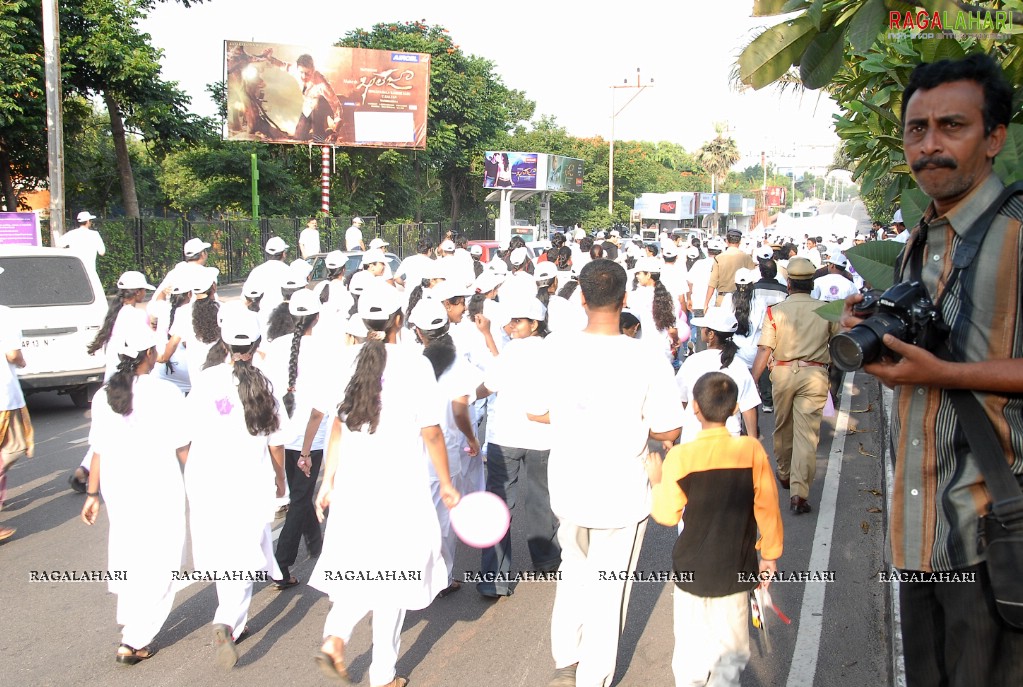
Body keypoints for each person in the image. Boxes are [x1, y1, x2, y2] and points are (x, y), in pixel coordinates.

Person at [841, 54, 1023, 685]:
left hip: (992, 535)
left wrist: (943, 376)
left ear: (994, 137)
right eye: (917, 129)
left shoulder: (1019, 233)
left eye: (952, 126)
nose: (930, 145)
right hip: (919, 534)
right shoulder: (924, 236)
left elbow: (948, 370)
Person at [533, 259, 683, 687]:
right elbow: (669, 427)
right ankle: (592, 677)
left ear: (581, 298)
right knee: (608, 586)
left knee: (573, 570)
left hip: (569, 484)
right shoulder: (647, 356)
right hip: (621, 490)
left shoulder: (556, 347)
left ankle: (566, 658)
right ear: (625, 299)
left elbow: (535, 409)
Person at [308, 283, 459, 687]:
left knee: (359, 567)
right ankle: (383, 674)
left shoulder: (346, 360)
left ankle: (336, 636)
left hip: (354, 485)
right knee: (393, 576)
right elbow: (431, 432)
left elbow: (336, 427)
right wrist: (445, 482)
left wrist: (328, 480)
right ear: (399, 321)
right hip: (401, 487)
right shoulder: (414, 363)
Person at [647, 371, 783, 687]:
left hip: (691, 569)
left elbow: (667, 516)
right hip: (736, 568)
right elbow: (767, 507)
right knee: (731, 650)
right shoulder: (751, 452)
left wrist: (656, 482)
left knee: (690, 650)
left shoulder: (680, 456)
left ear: (694, 408)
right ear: (735, 409)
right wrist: (770, 556)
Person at [182, 304, 286, 670]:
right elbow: (276, 441)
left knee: (223, 551)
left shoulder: (205, 380)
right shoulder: (265, 382)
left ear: (223, 344)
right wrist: (281, 480)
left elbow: (184, 436)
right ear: (257, 343)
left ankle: (228, 616)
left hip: (206, 478)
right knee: (242, 557)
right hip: (248, 480)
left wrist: (191, 471)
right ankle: (228, 622)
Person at [80, 327, 188, 665]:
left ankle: (130, 619)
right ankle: (135, 640)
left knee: (129, 552)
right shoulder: (166, 393)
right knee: (163, 561)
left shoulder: (102, 396)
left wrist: (92, 493)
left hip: (118, 488)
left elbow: (97, 448)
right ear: (149, 355)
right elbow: (183, 447)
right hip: (158, 487)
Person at [475, 296, 560, 598]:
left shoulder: (511, 352)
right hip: (542, 437)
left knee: (499, 505)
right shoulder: (554, 351)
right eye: (509, 320)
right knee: (540, 500)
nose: (510, 326)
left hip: (506, 437)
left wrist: (472, 394)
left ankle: (494, 578)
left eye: (517, 321)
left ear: (534, 324)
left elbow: (489, 385)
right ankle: (547, 560)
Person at [751, 257, 839, 515]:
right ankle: (800, 493)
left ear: (788, 284)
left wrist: (751, 381)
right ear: (812, 284)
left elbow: (765, 349)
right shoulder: (827, 310)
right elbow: (839, 343)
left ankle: (786, 473)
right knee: (807, 435)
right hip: (815, 375)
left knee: (782, 427)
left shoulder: (775, 311)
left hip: (783, 373)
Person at [409, 298, 481, 596]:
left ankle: (417, 571)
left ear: (418, 331)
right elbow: (462, 410)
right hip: (447, 450)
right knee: (442, 517)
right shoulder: (459, 364)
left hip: (414, 448)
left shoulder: (410, 362)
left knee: (416, 513)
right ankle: (441, 576)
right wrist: (472, 438)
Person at [261, 289, 327, 590]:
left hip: (279, 433)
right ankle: (282, 563)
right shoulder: (324, 350)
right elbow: (322, 407)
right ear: (317, 317)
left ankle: (315, 543)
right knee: (301, 498)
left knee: (301, 493)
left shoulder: (274, 346)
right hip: (309, 439)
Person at [679, 308, 760, 444]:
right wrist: (753, 443)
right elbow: (749, 406)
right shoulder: (738, 365)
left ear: (711, 334)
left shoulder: (693, 362)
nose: (701, 330)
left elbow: (680, 401)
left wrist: (672, 436)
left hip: (694, 435)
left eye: (703, 328)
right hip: (729, 437)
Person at [0, 267, 33, 542]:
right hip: (3, 396)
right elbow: (13, 354)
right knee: (12, 449)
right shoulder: (5, 314)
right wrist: (22, 361)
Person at [263, 50, 342, 143]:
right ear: (297, 69)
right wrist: (270, 58)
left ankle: (320, 134)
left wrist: (336, 131)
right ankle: (319, 134)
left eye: (307, 73)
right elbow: (283, 65)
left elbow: (337, 105)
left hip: (321, 107)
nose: (304, 76)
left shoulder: (321, 82)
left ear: (313, 70)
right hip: (307, 108)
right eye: (301, 72)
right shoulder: (295, 70)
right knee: (298, 138)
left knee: (318, 104)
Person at [706, 228, 756, 308]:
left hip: (722, 299)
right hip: (741, 300)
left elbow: (713, 282)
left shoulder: (719, 258)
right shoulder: (747, 258)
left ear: (726, 241)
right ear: (740, 242)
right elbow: (753, 279)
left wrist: (706, 303)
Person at [246, 236, 291, 312]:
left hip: (261, 316)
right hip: (284, 317)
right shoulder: (290, 271)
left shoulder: (257, 271)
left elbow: (246, 298)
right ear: (283, 253)